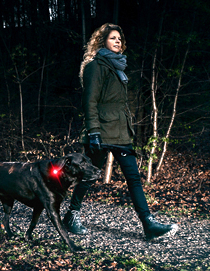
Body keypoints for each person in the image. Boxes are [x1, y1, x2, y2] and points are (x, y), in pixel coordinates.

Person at [63, 23, 179, 241]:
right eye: (112, 38)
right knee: (88, 176)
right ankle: (72, 215)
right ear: (101, 41)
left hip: (120, 133)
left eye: (119, 38)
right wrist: (93, 131)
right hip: (101, 132)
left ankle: (149, 225)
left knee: (134, 178)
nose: (117, 41)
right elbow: (90, 101)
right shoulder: (96, 66)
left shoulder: (118, 66)